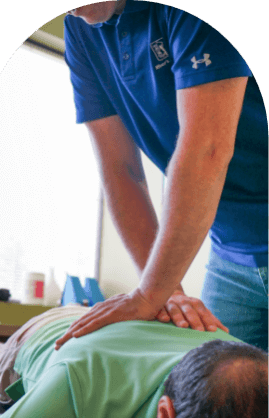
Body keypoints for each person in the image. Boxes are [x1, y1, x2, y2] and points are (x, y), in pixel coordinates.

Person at [53, 0, 268, 353]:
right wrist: (166, 293)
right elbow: (121, 171)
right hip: (230, 256)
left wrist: (149, 294)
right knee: (209, 400)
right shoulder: (80, 29)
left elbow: (208, 150)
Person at [0, 304, 267, 418]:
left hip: (139, 326)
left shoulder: (255, 375)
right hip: (57, 333)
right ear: (165, 416)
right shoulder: (76, 396)